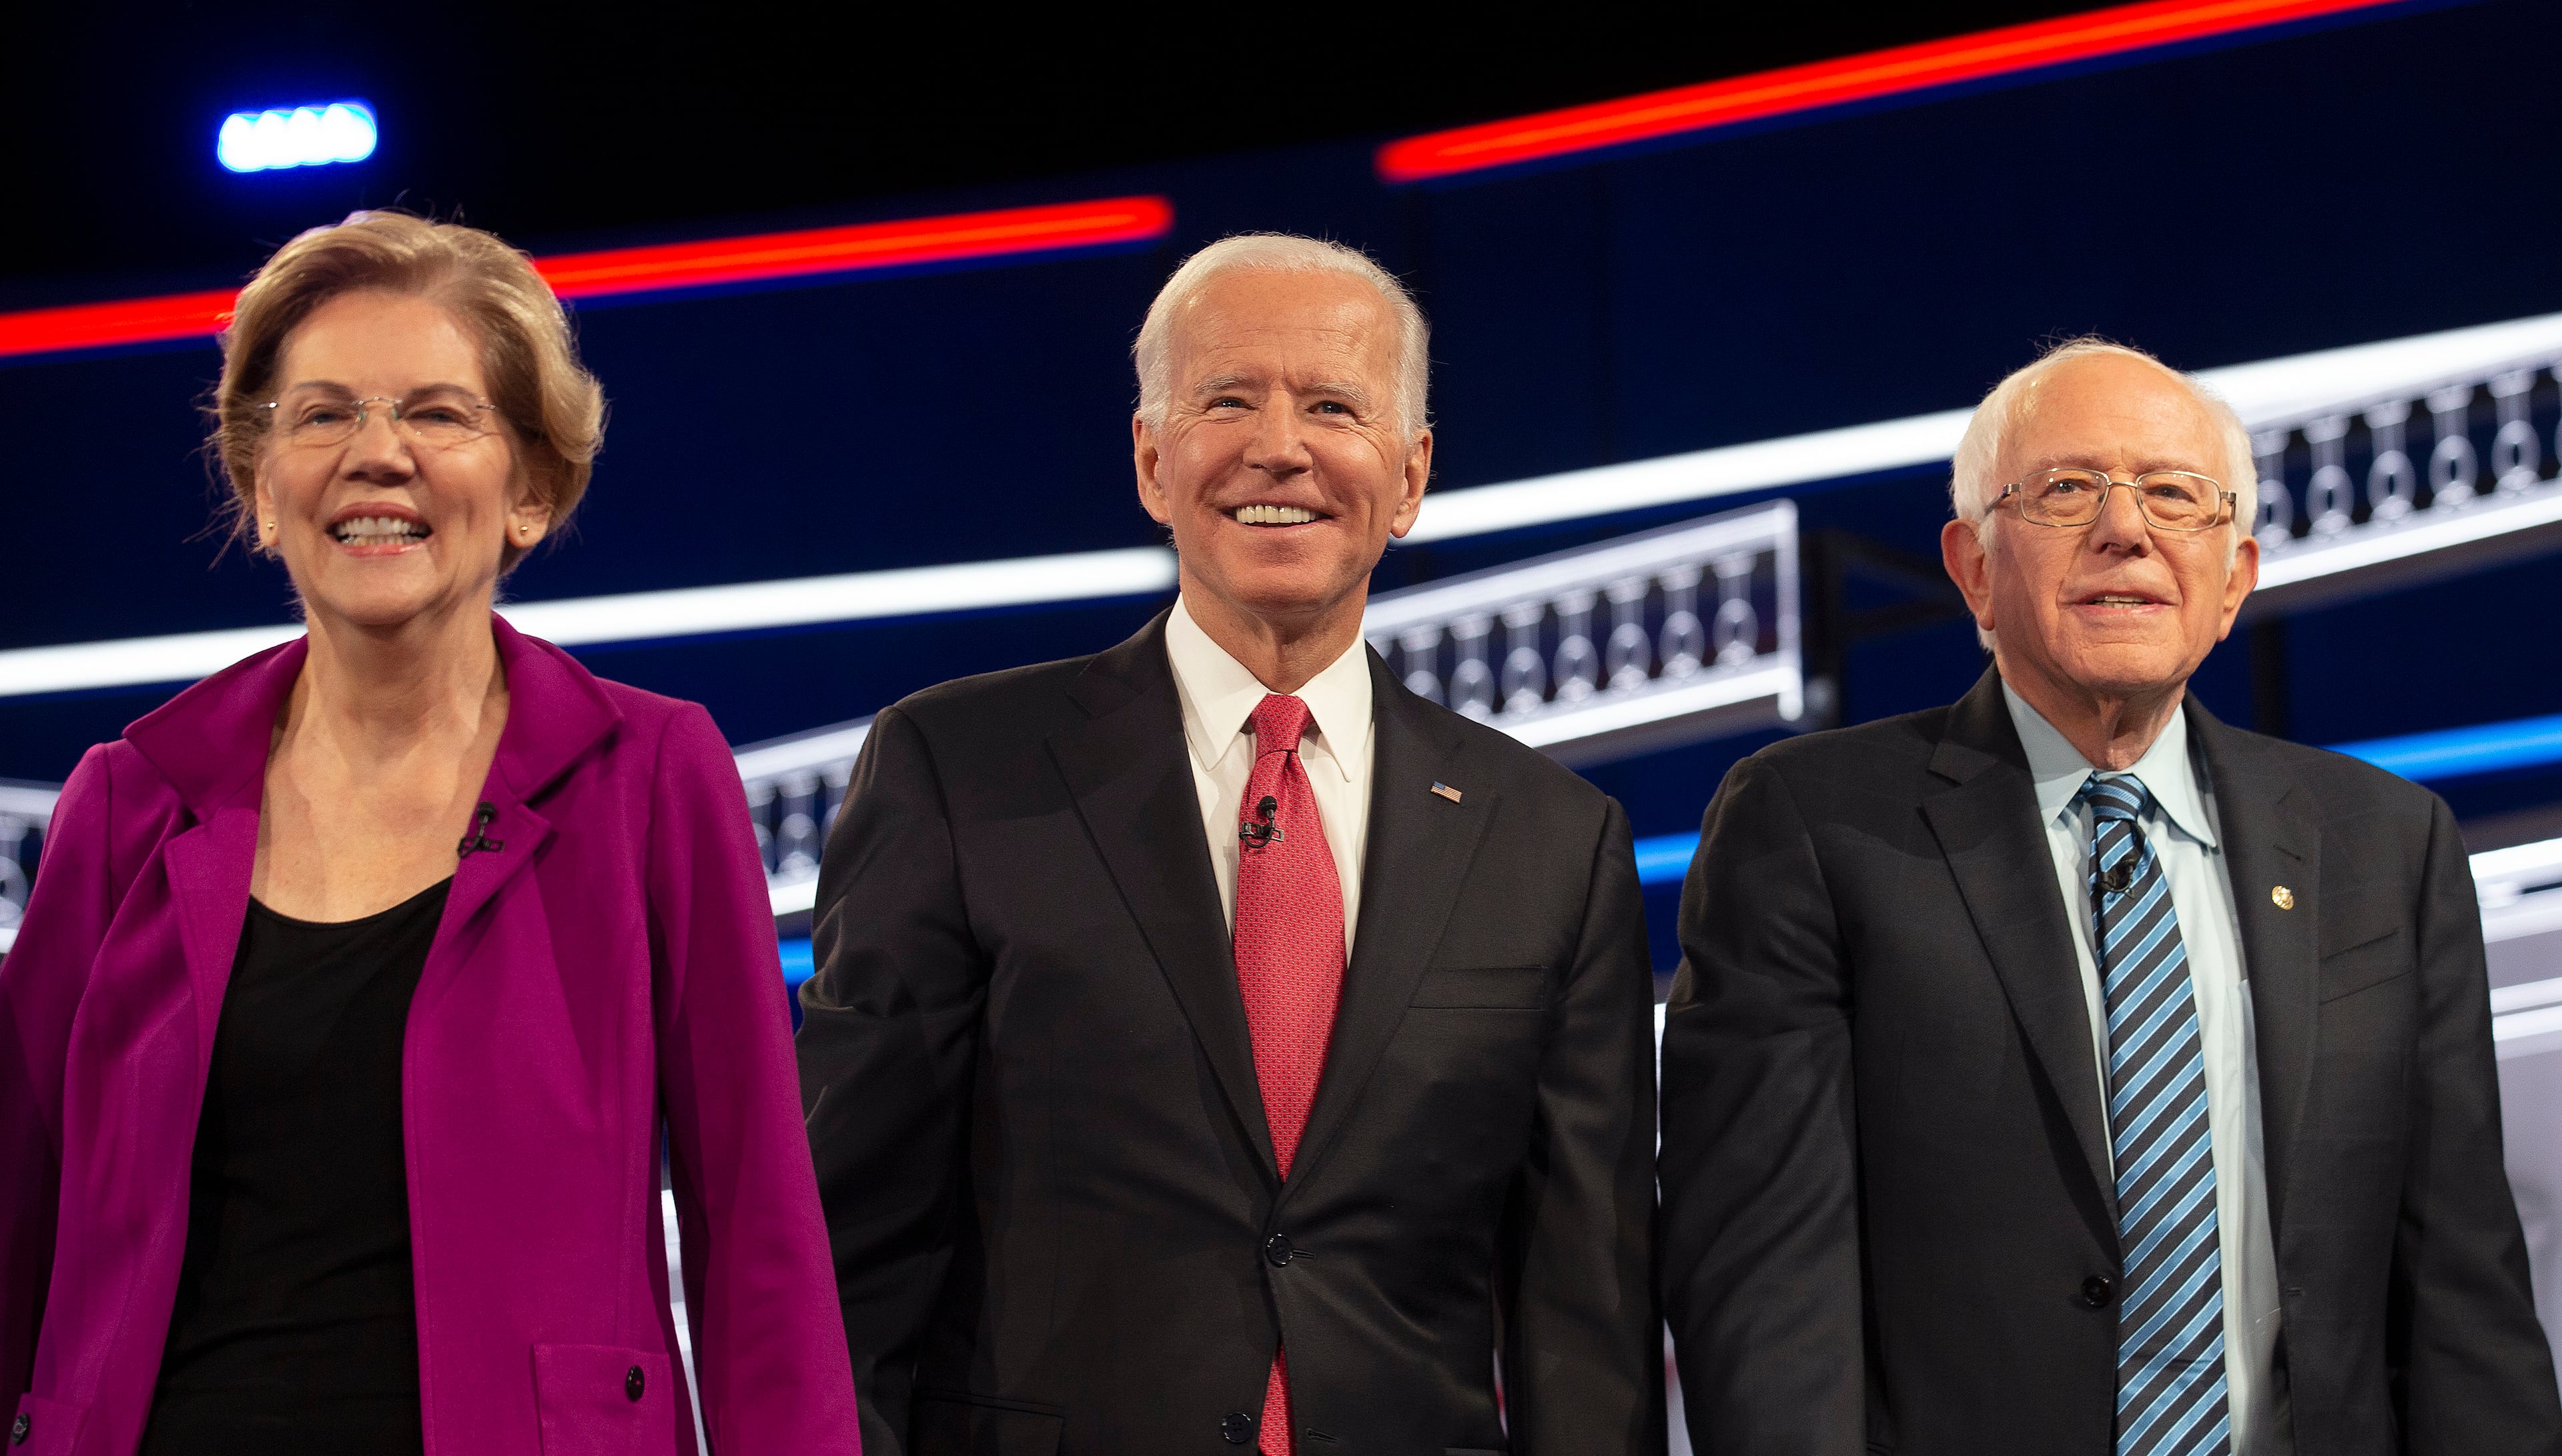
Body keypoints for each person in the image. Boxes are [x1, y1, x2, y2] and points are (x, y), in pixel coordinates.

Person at [0, 211, 857, 1455]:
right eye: (324, 414)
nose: (377, 455)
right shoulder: (130, 803)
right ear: (260, 486)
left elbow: (758, 1235)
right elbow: (17, 1227)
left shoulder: (651, 779)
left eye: (439, 414)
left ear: (531, 489)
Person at [796, 233, 1661, 1455]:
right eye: (1228, 399)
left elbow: (1585, 1309)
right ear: (1152, 459)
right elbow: (848, 1243)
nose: (1279, 448)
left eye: (1332, 407)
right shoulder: (960, 772)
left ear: (1409, 476)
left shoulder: (1556, 841)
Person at [1657, 337, 2562, 1455]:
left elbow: (2465, 1292)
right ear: (1974, 568)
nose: (2125, 529)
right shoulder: (1810, 825)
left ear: (2234, 580)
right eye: (2068, 489)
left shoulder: (2387, 844)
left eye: (2176, 496)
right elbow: (1761, 1287)